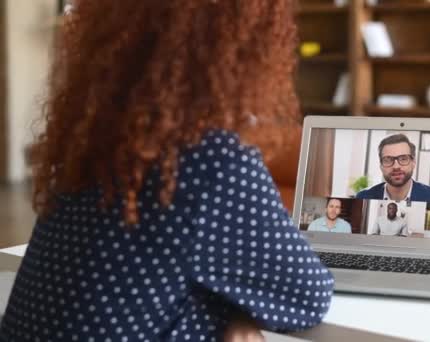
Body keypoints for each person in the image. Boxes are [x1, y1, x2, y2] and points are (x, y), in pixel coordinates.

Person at [0, 1, 334, 341]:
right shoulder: (210, 159)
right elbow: (309, 296)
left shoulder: (92, 139)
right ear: (247, 42)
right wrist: (231, 313)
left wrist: (226, 309)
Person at [356, 134, 430, 203]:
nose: (396, 166)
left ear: (413, 162)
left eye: (403, 159)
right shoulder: (363, 197)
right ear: (381, 166)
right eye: (388, 160)